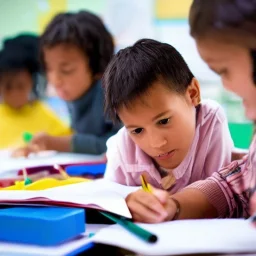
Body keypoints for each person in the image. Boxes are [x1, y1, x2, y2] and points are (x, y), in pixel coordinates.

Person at [119, 0, 256, 224]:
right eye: (137, 130)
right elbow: (232, 186)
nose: (227, 86)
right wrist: (174, 206)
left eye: (223, 70)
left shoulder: (211, 117)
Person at [103, 38, 234, 221]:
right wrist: (126, 202)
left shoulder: (210, 121)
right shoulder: (122, 147)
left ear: (192, 94)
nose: (157, 143)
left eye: (164, 121)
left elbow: (221, 200)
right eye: (137, 131)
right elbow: (110, 205)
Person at [16, 10, 121, 155]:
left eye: (66, 70)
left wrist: (56, 143)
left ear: (98, 66)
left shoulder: (112, 93)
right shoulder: (76, 92)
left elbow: (121, 144)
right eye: (49, 69)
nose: (55, 80)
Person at [0, 34, 71, 151]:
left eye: (21, 86)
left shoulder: (42, 111)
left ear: (31, 84)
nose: (15, 93)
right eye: (8, 87)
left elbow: (69, 140)